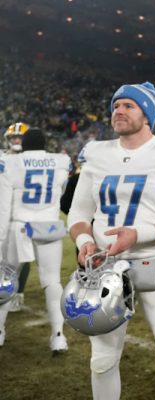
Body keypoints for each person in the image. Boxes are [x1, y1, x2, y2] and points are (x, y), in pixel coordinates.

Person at [66, 82, 155, 399]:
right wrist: (84, 240)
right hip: (105, 268)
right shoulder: (96, 153)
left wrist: (138, 234)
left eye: (128, 105)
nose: (119, 111)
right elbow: (78, 212)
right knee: (101, 361)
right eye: (116, 105)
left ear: (147, 114)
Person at [0, 128, 72, 351]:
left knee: (6, 279)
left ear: (24, 144)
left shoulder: (11, 162)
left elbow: (3, 206)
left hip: (19, 226)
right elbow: (60, 193)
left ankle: (0, 332)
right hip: (49, 226)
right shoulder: (60, 161)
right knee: (52, 281)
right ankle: (59, 337)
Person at [2, 122, 31, 313]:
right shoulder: (3, 158)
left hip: (25, 213)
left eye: (19, 137)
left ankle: (18, 292)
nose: (16, 140)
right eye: (13, 137)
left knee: (23, 255)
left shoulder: (33, 160)